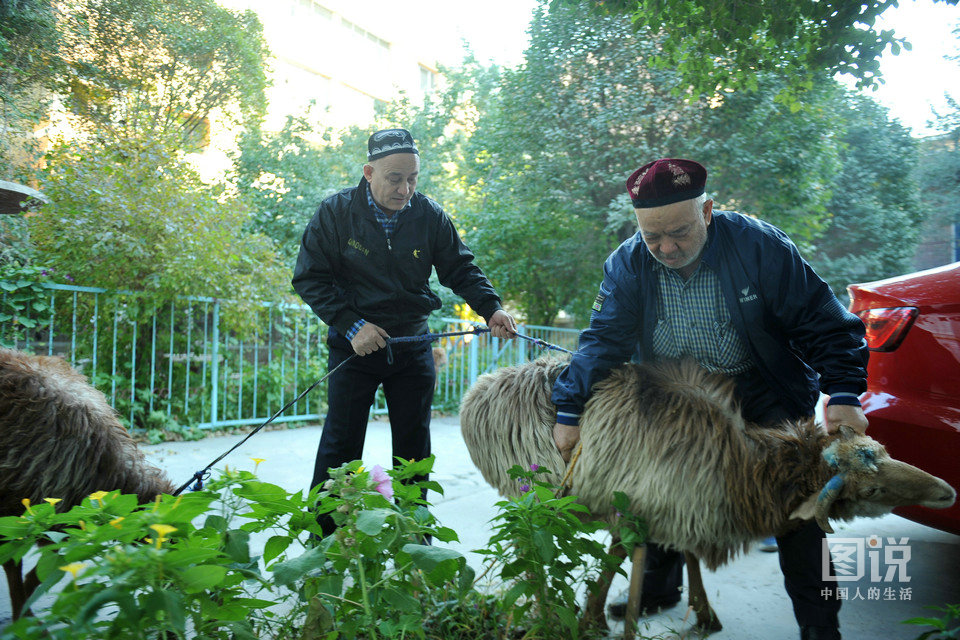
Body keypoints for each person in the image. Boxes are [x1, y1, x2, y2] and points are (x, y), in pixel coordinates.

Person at [550, 158, 868, 640]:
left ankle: (820, 624)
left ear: (707, 212)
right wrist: (569, 410)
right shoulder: (628, 263)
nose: (666, 247)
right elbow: (602, 341)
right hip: (681, 396)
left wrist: (844, 393)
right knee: (655, 488)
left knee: (798, 508)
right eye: (652, 237)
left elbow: (824, 323)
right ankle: (659, 587)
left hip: (763, 391)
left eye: (678, 232)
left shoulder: (760, 246)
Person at [292, 128, 516, 534]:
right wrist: (352, 325)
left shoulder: (428, 215)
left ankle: (416, 543)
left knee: (414, 452)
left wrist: (491, 308)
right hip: (353, 349)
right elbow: (309, 278)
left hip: (413, 347)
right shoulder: (336, 213)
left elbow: (460, 268)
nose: (405, 189)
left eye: (412, 178)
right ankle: (324, 542)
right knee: (339, 449)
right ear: (368, 172)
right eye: (395, 178)